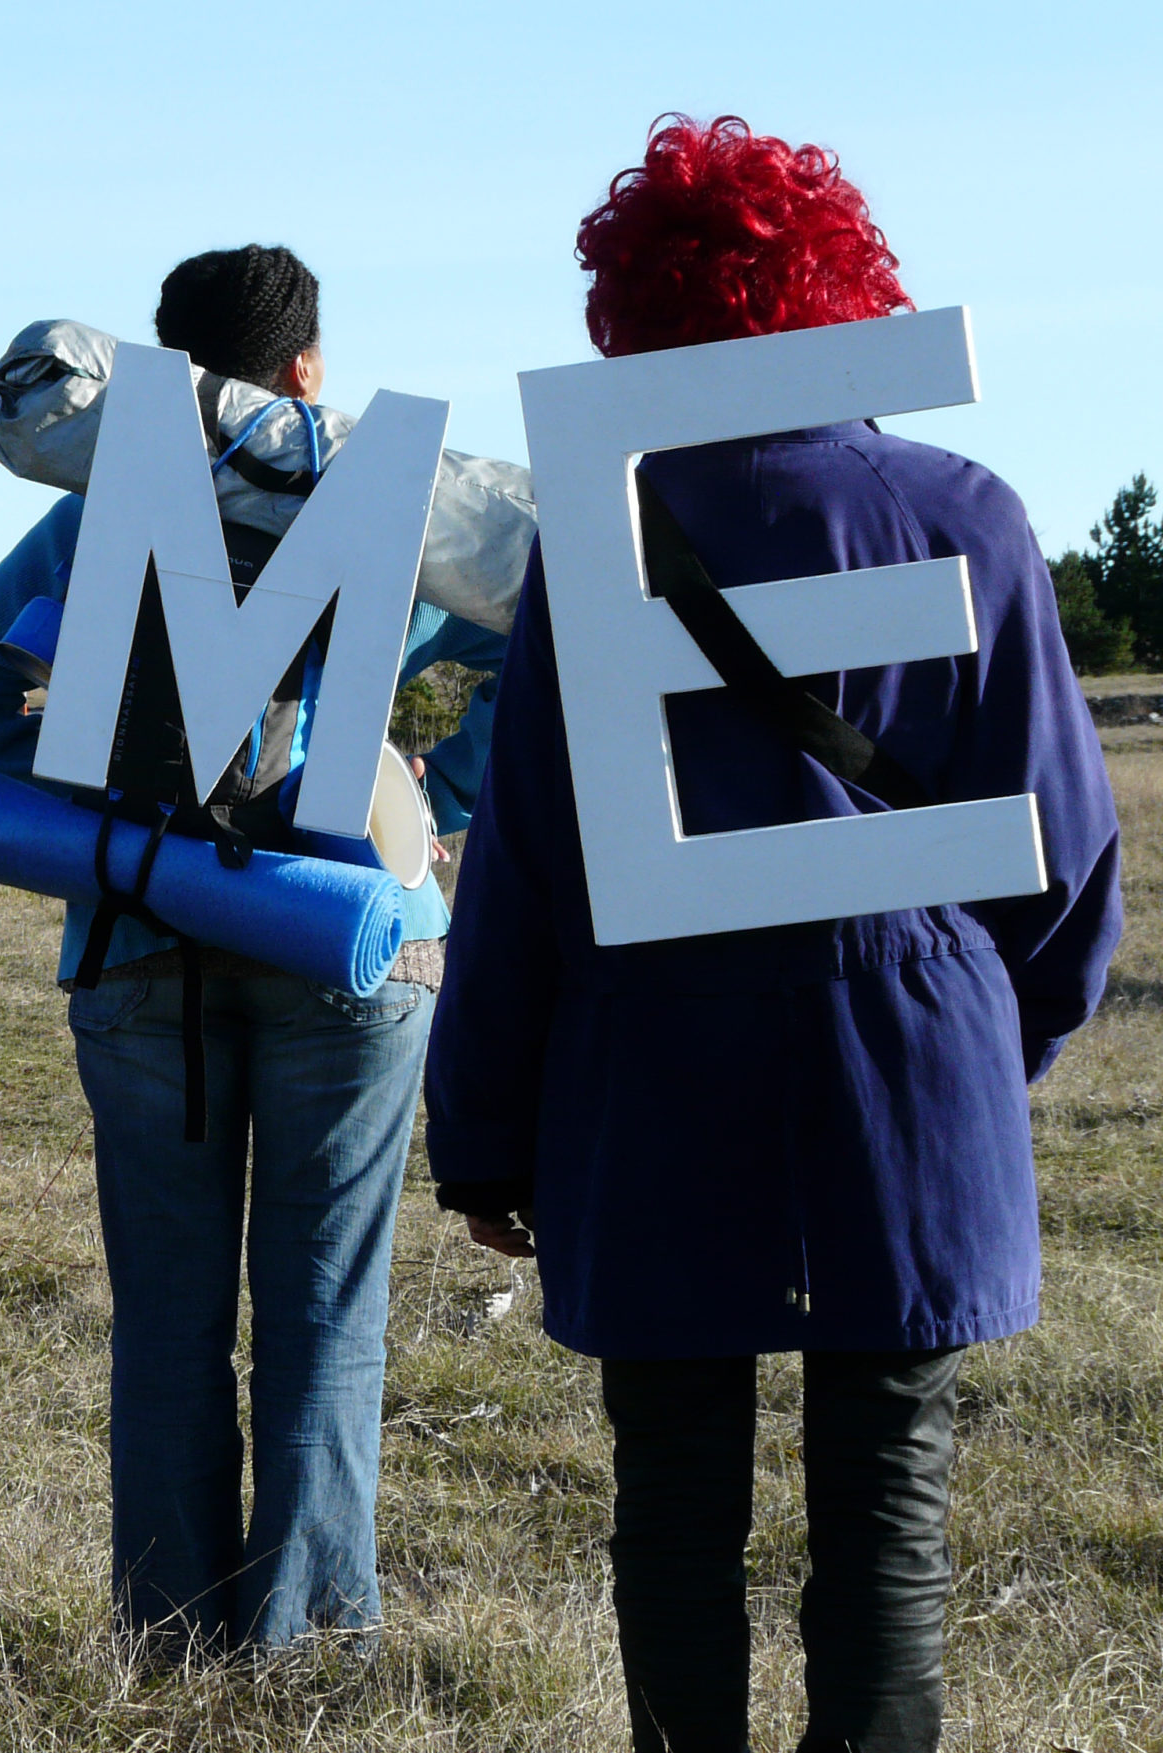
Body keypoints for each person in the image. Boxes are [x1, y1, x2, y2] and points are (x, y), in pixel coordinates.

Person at [426, 116, 1123, 1753]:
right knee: (886, 1517)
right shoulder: (962, 501)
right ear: (841, 282)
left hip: (649, 1062)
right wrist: (986, 1042)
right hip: (905, 1051)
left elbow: (523, 867)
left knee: (671, 1505)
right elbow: (1067, 839)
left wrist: (485, 1135)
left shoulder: (595, 543)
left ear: (640, 309)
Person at [0, 243, 507, 1647]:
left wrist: (106, 799)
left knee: (169, 1315)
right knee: (325, 1311)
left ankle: (169, 1633)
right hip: (348, 939)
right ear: (306, 375)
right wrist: (445, 791)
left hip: (137, 937)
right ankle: (302, 1636)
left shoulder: (100, 515)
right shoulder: (387, 514)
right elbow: (549, 654)